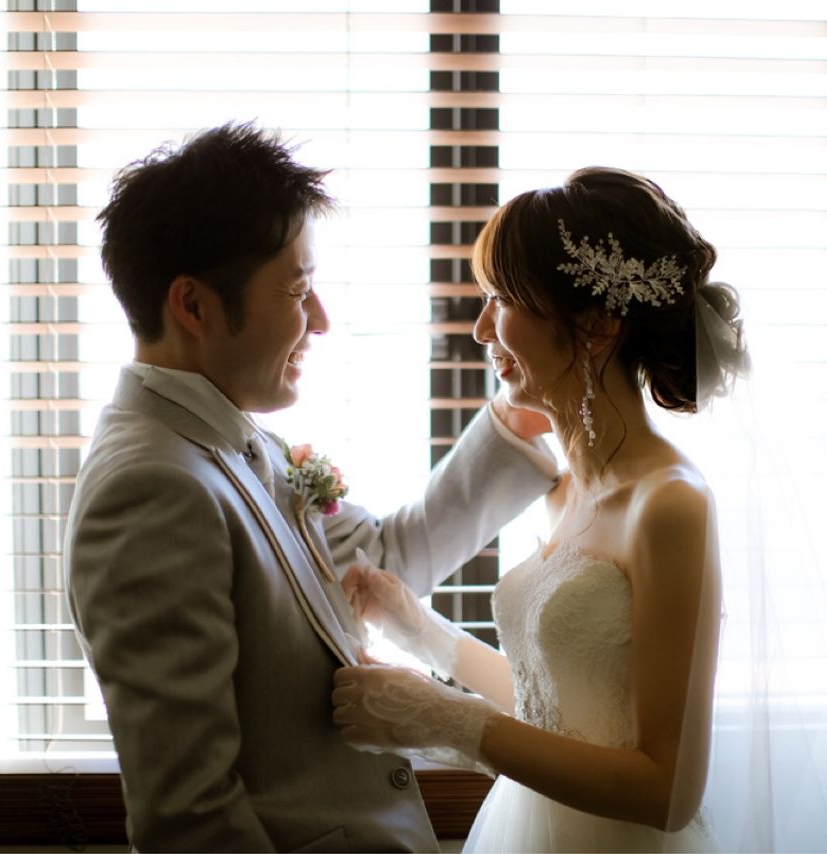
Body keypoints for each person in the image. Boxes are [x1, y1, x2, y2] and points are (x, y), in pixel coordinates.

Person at [332, 167, 827, 852]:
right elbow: (559, 705)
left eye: (500, 299)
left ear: (597, 324)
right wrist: (420, 632)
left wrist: (449, 721)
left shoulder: (670, 504)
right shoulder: (566, 492)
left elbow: (667, 791)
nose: (480, 329)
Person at [64, 122, 558, 852]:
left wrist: (516, 422)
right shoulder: (151, 491)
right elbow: (190, 820)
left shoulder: (235, 443)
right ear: (193, 307)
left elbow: (376, 566)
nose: (320, 320)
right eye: (298, 290)